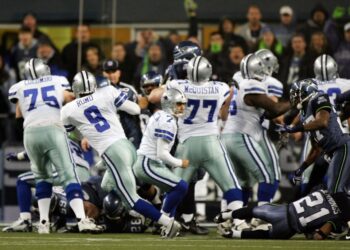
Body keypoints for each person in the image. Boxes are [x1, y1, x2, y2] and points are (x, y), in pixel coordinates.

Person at [61, 71, 181, 238]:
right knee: (106, 186)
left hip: (112, 152)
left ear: (75, 88)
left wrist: (85, 134)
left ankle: (167, 223)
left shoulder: (67, 110)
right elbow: (135, 109)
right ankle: (145, 210)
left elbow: (72, 134)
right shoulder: (107, 91)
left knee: (131, 199)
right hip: (128, 147)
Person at [7, 58, 101, 234]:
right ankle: (82, 220)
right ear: (45, 70)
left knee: (42, 177)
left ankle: (43, 223)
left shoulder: (19, 86)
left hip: (30, 132)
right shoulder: (58, 80)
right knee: (68, 176)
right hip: (53, 129)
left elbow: (18, 112)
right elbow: (69, 98)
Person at [166, 55, 244, 229]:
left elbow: (168, 103)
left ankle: (165, 221)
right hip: (211, 143)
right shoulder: (221, 87)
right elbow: (225, 110)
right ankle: (239, 222)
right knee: (231, 184)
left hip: (186, 145)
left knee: (176, 187)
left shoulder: (178, 85)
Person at [221, 53, 289, 229]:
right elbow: (274, 109)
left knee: (242, 182)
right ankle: (262, 218)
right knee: (268, 175)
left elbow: (225, 108)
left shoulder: (238, 80)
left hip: (228, 133)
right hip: (244, 135)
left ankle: (234, 220)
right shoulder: (255, 84)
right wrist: (296, 103)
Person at [278, 79, 350, 239]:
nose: (294, 98)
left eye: (296, 94)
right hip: (333, 152)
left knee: (336, 190)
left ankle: (342, 225)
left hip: (343, 147)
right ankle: (332, 227)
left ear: (304, 93)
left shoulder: (318, 98)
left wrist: (293, 128)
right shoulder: (305, 115)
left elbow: (322, 122)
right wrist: (301, 168)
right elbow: (316, 149)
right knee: (336, 192)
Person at [2, 139, 91, 232]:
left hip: (69, 168)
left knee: (23, 180)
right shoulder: (70, 139)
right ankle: (63, 221)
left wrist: (17, 156)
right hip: (85, 173)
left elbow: (35, 152)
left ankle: (25, 220)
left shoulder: (50, 134)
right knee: (60, 192)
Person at [133, 88, 189, 220]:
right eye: (179, 104)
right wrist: (180, 163)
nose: (182, 107)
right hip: (148, 163)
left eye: (183, 104)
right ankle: (164, 221)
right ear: (169, 104)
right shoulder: (168, 121)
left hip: (149, 162)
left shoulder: (161, 115)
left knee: (174, 189)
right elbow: (162, 154)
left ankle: (168, 221)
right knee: (181, 186)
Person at [215, 189, 350, 240]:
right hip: (290, 229)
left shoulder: (333, 190)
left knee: (255, 211)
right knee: (267, 235)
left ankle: (225, 216)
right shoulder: (344, 212)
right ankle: (233, 234)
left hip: (285, 210)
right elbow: (316, 237)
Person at [102, 59, 143, 149]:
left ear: (119, 73)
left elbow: (138, 110)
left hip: (131, 133)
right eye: (108, 72)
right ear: (103, 74)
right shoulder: (97, 92)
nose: (111, 75)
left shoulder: (128, 88)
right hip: (109, 136)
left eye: (114, 71)